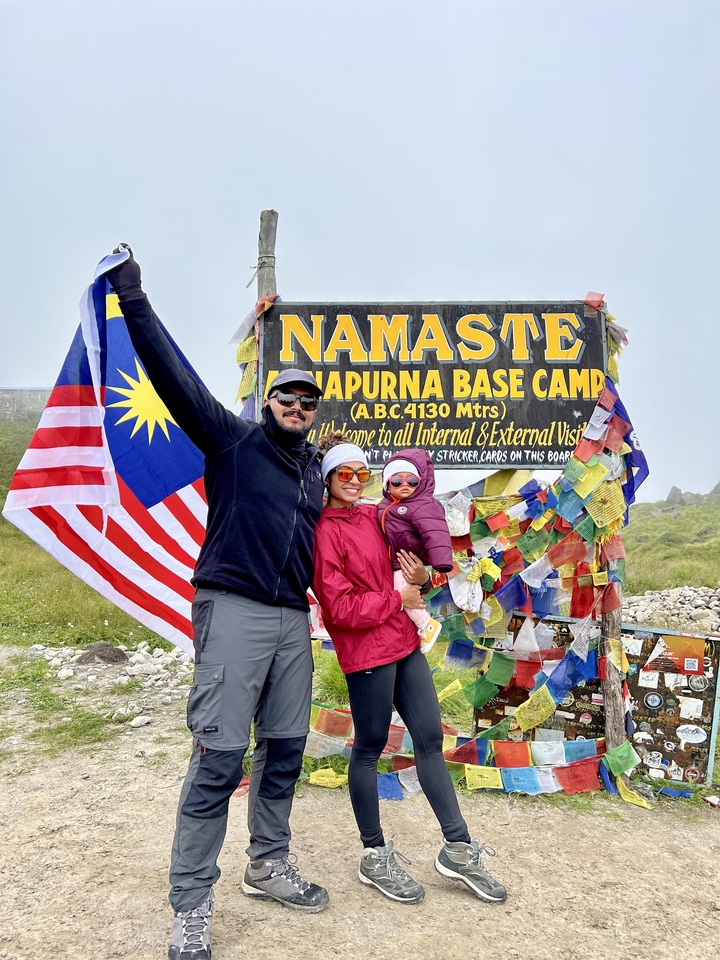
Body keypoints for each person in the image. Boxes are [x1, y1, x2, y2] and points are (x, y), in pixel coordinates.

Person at [105, 249, 329, 960]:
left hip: (295, 621)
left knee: (286, 752)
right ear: (268, 403)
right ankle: (192, 905)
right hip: (233, 610)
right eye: (286, 397)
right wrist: (134, 301)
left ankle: (267, 864)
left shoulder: (317, 477)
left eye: (307, 400)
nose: (296, 407)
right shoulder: (234, 443)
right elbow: (176, 380)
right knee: (219, 760)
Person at [312, 433, 507, 907]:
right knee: (370, 748)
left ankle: (458, 849)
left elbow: (414, 556)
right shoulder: (324, 530)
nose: (357, 481)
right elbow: (337, 609)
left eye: (364, 473)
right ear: (328, 478)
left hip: (402, 642)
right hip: (366, 653)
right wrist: (397, 598)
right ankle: (374, 855)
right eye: (346, 474)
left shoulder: (378, 514)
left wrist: (424, 577)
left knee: (428, 740)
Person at [378, 449, 454, 655]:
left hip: (407, 562)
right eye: (397, 481)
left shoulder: (422, 505)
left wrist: (441, 562)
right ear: (386, 483)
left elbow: (436, 531)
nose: (405, 485)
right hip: (394, 562)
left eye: (412, 481)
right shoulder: (383, 506)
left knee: (404, 591)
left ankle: (426, 625)